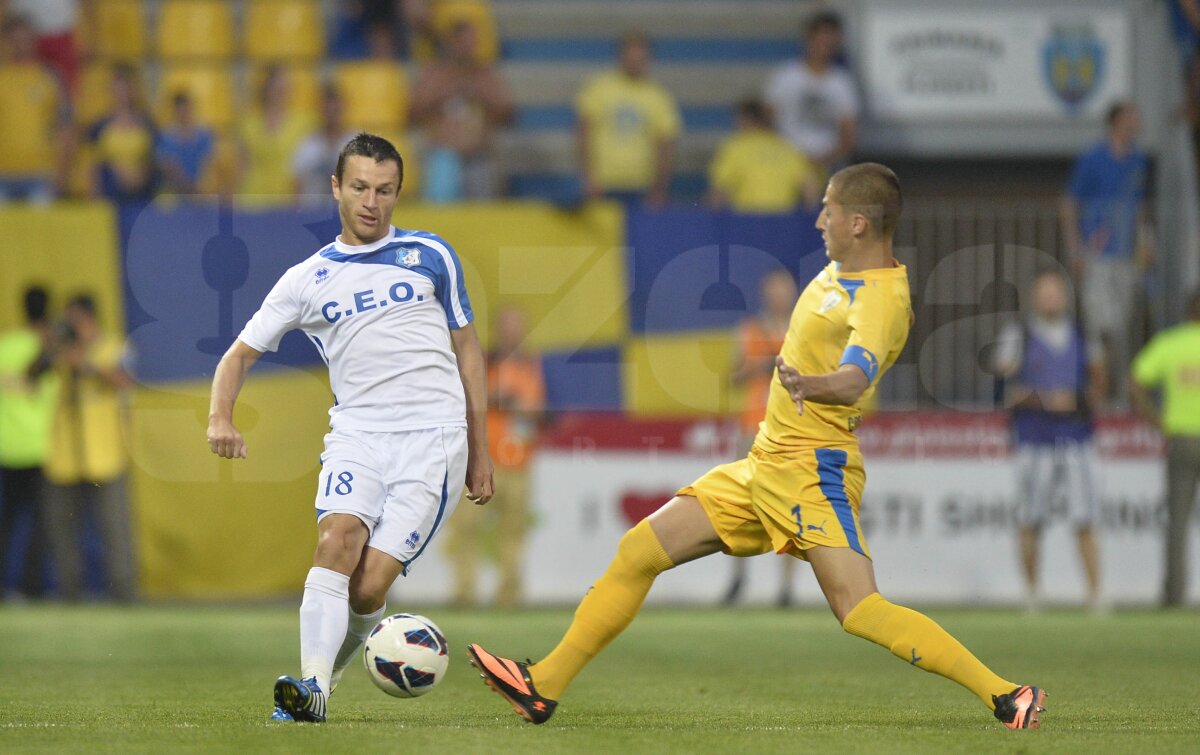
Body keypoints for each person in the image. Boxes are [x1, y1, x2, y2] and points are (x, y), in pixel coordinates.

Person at [466, 163, 1048, 731]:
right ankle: (542, 684)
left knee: (858, 608)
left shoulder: (882, 299)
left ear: (859, 224)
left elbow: (855, 377)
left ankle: (1004, 693)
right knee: (639, 550)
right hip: (763, 465)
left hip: (813, 469)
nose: (818, 218)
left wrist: (810, 384)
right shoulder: (836, 272)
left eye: (828, 208)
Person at [206, 133, 493, 723]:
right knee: (335, 541)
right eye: (360, 187)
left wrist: (480, 450)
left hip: (434, 440)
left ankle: (323, 681)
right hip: (357, 435)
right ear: (336, 187)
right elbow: (238, 354)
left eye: (385, 190)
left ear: (398, 192)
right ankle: (311, 692)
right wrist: (219, 416)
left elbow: (468, 352)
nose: (372, 201)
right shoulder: (306, 280)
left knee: (367, 590)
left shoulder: (432, 255)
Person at [993, 269, 1106, 613]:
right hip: (1033, 439)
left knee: (1085, 517)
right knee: (1030, 518)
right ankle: (1032, 594)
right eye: (1044, 293)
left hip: (1076, 438)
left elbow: (1100, 385)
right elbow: (1004, 391)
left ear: (1065, 297)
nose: (1050, 299)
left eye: (1055, 293)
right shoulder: (1019, 336)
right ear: (1034, 298)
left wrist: (1079, 401)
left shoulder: (1083, 335)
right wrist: (1044, 400)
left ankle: (1095, 595)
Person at [445, 306, 544, 608]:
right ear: (499, 329)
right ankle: (465, 592)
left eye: (517, 324)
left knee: (513, 532)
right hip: (483, 461)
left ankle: (509, 596)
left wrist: (520, 407)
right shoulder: (484, 361)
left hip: (520, 463)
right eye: (507, 324)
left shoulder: (534, 364)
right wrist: (507, 400)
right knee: (466, 528)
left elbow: (544, 412)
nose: (512, 331)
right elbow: (469, 398)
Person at [42, 293, 136, 602]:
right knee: (63, 531)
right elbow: (33, 375)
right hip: (64, 454)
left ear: (89, 318)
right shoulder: (58, 351)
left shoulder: (114, 345)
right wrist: (53, 345)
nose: (70, 326)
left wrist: (88, 362)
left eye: (75, 320)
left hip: (105, 453)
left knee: (114, 529)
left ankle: (123, 594)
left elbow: (125, 381)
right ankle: (69, 594)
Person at [1061, 102, 1151, 407]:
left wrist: (1144, 244)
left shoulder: (1138, 161)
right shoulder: (1093, 159)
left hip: (1126, 256)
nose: (1137, 122)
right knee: (1098, 325)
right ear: (1116, 121)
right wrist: (1076, 248)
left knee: (1122, 326)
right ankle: (1098, 392)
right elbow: (1070, 202)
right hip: (1097, 254)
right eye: (1131, 116)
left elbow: (1139, 208)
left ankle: (1119, 392)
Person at [722, 269, 800, 606]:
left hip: (791, 431)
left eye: (784, 290)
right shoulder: (749, 330)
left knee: (791, 507)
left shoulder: (803, 331)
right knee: (742, 507)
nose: (779, 296)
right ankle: (738, 581)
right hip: (752, 428)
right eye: (774, 290)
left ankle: (786, 589)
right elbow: (732, 376)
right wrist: (757, 365)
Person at [1130, 289, 1200, 607]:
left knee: (1178, 520)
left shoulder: (1171, 344)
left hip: (1182, 439)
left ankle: (1174, 594)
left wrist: (1157, 421)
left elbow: (1135, 382)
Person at [409, 18, 513, 202]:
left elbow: (509, 114)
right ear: (452, 43)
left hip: (478, 156)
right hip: (443, 156)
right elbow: (411, 114)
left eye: (472, 42)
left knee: (484, 213)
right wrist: (441, 97)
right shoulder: (434, 75)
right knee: (440, 206)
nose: (469, 47)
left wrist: (482, 97)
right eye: (464, 42)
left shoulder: (484, 75)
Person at [576, 32, 680, 207]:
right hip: (604, 183)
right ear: (620, 56)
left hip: (643, 186)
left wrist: (660, 188)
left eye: (640, 57)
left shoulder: (658, 96)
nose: (635, 61)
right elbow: (583, 133)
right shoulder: (599, 89)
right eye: (631, 56)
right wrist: (588, 177)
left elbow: (666, 144)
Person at [0, 286, 57, 600]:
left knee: (6, 524)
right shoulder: (48, 348)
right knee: (40, 525)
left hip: (6, 448)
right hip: (38, 448)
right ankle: (32, 589)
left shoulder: (5, 345)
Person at [763, 11, 859, 171]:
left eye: (830, 40)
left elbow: (848, 136)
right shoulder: (785, 76)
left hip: (827, 166)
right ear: (809, 39)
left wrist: (826, 160)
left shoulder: (842, 83)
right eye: (821, 39)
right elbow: (768, 121)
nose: (825, 45)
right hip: (786, 163)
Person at [0, 13, 70, 202]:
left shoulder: (51, 77)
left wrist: (61, 172)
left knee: (41, 232)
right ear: (6, 41)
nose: (20, 44)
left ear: (34, 39)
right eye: (14, 39)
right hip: (3, 173)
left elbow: (65, 127)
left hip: (41, 174)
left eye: (25, 38)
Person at [708, 99, 821, 214]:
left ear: (745, 119)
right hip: (784, 222)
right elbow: (810, 188)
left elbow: (719, 191)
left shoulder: (736, 147)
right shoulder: (787, 147)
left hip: (747, 221)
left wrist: (713, 223)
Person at [238, 65, 314, 206]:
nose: (279, 90)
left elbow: (307, 164)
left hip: (289, 193)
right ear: (266, 88)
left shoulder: (304, 123)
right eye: (275, 85)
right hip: (254, 195)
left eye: (283, 85)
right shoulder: (248, 123)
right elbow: (243, 164)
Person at [86, 63, 157, 202]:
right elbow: (94, 166)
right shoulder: (100, 126)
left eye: (125, 87)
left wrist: (139, 176)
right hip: (111, 193)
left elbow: (153, 159)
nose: (121, 93)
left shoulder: (147, 124)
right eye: (117, 88)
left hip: (141, 192)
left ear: (133, 90)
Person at [292, 84, 356, 206]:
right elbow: (298, 186)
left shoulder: (357, 145)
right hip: (313, 213)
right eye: (328, 111)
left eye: (335, 110)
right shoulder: (307, 145)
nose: (332, 116)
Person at [155, 90, 215, 196]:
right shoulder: (166, 138)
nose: (183, 114)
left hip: (203, 193)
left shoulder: (205, 136)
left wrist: (201, 189)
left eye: (186, 110)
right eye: (179, 111)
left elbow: (210, 165)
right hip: (176, 195)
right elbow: (168, 168)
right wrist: (189, 189)